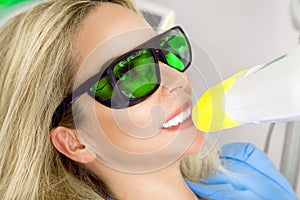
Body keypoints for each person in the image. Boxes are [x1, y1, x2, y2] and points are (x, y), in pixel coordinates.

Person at [0, 0, 297, 200]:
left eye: (165, 53)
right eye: (130, 74)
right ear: (76, 142)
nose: (176, 79)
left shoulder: (245, 170)